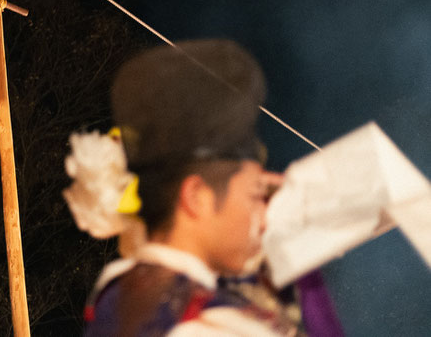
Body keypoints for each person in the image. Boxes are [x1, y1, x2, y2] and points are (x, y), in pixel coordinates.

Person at [66, 39, 341, 336]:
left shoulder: (120, 292)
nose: (265, 217)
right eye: (255, 196)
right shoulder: (211, 325)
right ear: (196, 197)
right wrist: (308, 279)